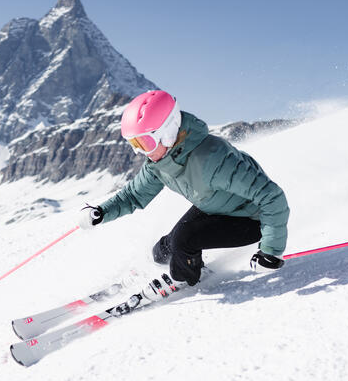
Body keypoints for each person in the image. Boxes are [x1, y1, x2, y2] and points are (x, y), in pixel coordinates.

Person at [77, 90, 289, 300]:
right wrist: (102, 212)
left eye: (145, 143)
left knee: (184, 240)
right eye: (135, 144)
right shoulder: (159, 163)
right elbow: (133, 195)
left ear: (168, 133)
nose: (141, 152)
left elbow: (271, 196)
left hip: (251, 219)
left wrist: (270, 251)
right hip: (216, 207)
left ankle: (183, 278)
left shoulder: (213, 158)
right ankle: (180, 264)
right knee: (162, 250)